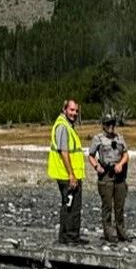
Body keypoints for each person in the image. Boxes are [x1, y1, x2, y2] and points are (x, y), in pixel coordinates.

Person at [48, 99, 88, 245]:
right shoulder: (63, 127)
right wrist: (71, 175)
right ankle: (70, 237)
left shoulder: (66, 125)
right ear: (65, 109)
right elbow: (64, 152)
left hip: (67, 174)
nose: (74, 113)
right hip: (67, 175)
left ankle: (65, 236)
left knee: (68, 205)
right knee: (72, 206)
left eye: (76, 111)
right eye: (71, 110)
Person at [88, 111, 131, 243]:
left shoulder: (119, 138)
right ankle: (108, 232)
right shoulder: (98, 139)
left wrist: (121, 164)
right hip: (106, 174)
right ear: (103, 125)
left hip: (119, 175)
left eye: (113, 123)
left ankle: (121, 231)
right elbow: (90, 155)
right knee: (107, 205)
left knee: (120, 205)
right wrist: (97, 166)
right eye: (108, 124)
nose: (111, 126)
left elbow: (126, 154)